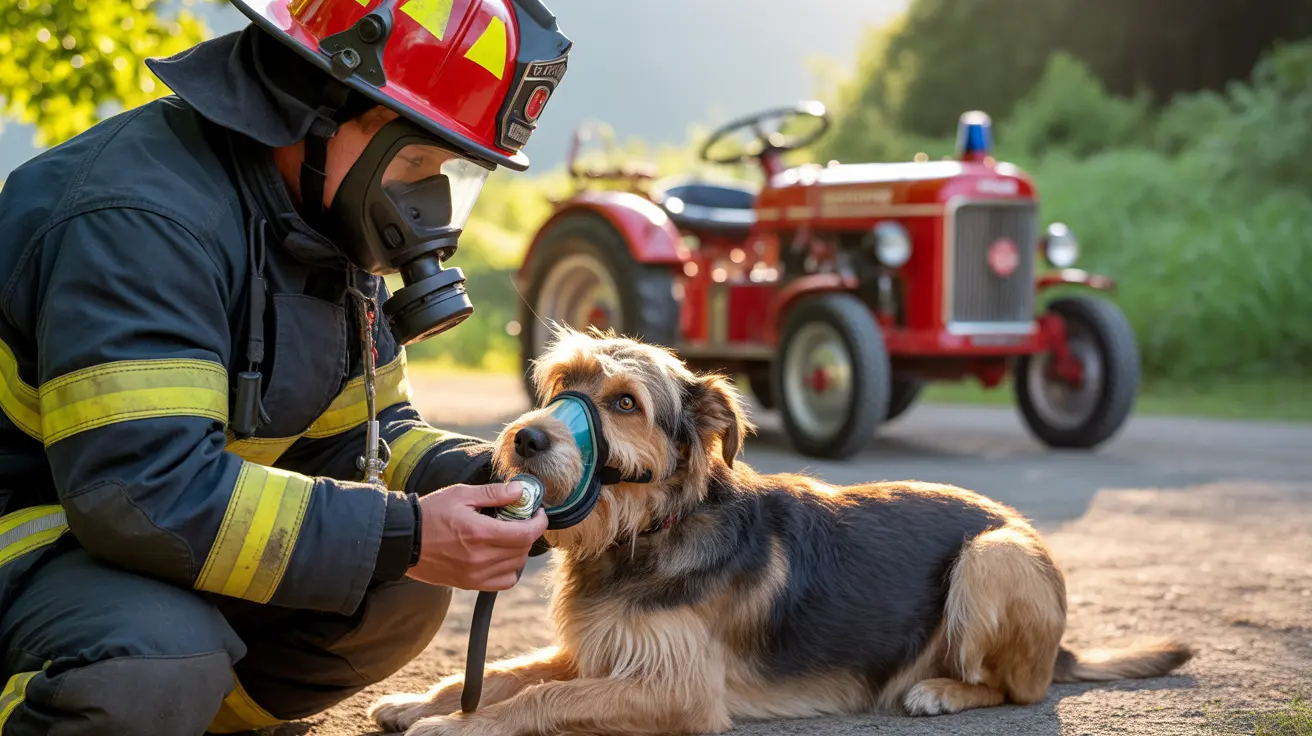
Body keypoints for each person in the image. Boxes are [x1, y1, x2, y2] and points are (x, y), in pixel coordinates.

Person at [0, 0, 571, 733]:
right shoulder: (139, 221)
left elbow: (370, 435)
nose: (427, 198)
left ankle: (191, 717)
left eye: (448, 170)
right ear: (314, 106)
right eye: (415, 161)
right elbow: (144, 492)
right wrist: (410, 534)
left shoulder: (312, 217)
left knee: (397, 591)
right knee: (155, 662)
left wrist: (489, 478)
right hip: (40, 525)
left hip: (118, 531)